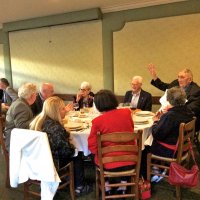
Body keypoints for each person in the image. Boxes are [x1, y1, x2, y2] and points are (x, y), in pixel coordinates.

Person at [30, 96, 91, 196]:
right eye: (63, 109)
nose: (65, 111)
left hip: (36, 159)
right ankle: (79, 187)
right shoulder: (56, 128)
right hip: (53, 162)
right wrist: (74, 149)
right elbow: (66, 151)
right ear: (56, 111)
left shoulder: (38, 121)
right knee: (78, 154)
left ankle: (67, 178)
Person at [88, 89, 135, 195]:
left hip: (108, 163)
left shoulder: (97, 122)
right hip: (130, 160)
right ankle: (123, 185)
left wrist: (102, 152)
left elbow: (92, 146)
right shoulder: (127, 113)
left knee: (92, 153)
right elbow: (131, 132)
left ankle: (107, 186)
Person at [148, 64, 200, 131]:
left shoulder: (196, 91)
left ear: (189, 80)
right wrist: (154, 77)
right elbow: (165, 87)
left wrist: (172, 108)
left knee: (159, 128)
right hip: (173, 117)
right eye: (178, 77)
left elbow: (191, 109)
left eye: (182, 77)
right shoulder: (176, 83)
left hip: (186, 122)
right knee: (158, 124)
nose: (179, 80)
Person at [5, 83, 37, 152]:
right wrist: (37, 118)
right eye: (36, 94)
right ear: (31, 95)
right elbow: (21, 126)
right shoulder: (21, 105)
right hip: (14, 142)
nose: (36, 96)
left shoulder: (21, 102)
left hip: (17, 138)